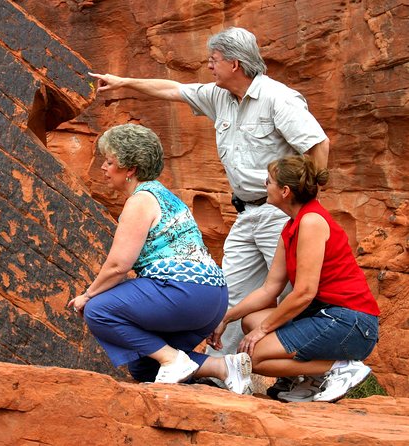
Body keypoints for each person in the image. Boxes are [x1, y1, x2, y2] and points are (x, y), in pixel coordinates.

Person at [89, 26, 329, 396]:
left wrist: (307, 201)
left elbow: (317, 144)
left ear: (234, 63)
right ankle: (227, 372)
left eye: (214, 61)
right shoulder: (220, 96)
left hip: (282, 212)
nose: (209, 66)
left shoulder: (277, 99)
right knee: (229, 294)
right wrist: (124, 82)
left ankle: (310, 375)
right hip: (246, 213)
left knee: (297, 290)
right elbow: (172, 89)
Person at [67, 123, 251, 394]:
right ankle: (223, 367)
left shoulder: (141, 200)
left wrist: (88, 295)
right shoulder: (165, 195)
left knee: (98, 310)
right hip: (212, 299)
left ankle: (172, 359)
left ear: (130, 169)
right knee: (143, 367)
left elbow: (119, 265)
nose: (104, 168)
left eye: (109, 162)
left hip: (184, 293)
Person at [208, 155, 380, 402]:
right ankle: (309, 381)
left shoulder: (311, 221)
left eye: (269, 182)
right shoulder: (292, 225)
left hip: (351, 323)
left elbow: (304, 292)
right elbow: (270, 289)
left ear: (285, 191)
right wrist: (225, 318)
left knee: (253, 357)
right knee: (250, 321)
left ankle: (340, 367)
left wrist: (263, 332)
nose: (265, 185)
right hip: (327, 316)